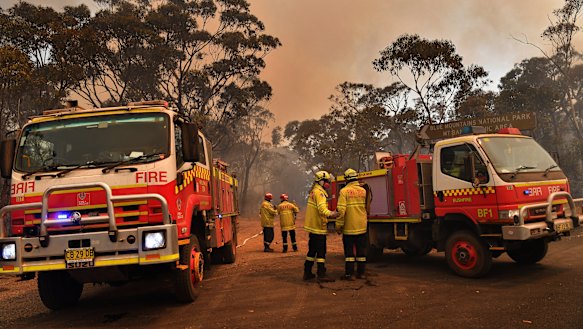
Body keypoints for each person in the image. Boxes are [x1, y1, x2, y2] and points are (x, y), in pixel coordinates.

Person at [303, 170, 339, 282]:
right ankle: (321, 274)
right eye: (326, 181)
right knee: (321, 252)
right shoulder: (320, 193)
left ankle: (307, 272)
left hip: (313, 227)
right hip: (318, 227)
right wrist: (332, 213)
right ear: (321, 181)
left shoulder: (314, 191)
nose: (328, 183)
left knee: (312, 251)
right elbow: (322, 209)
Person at [335, 168, 368, 280]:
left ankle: (349, 274)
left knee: (349, 253)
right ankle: (361, 273)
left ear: (346, 179)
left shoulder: (344, 191)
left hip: (349, 227)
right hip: (362, 226)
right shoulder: (363, 191)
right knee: (361, 252)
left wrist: (338, 225)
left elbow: (341, 211)